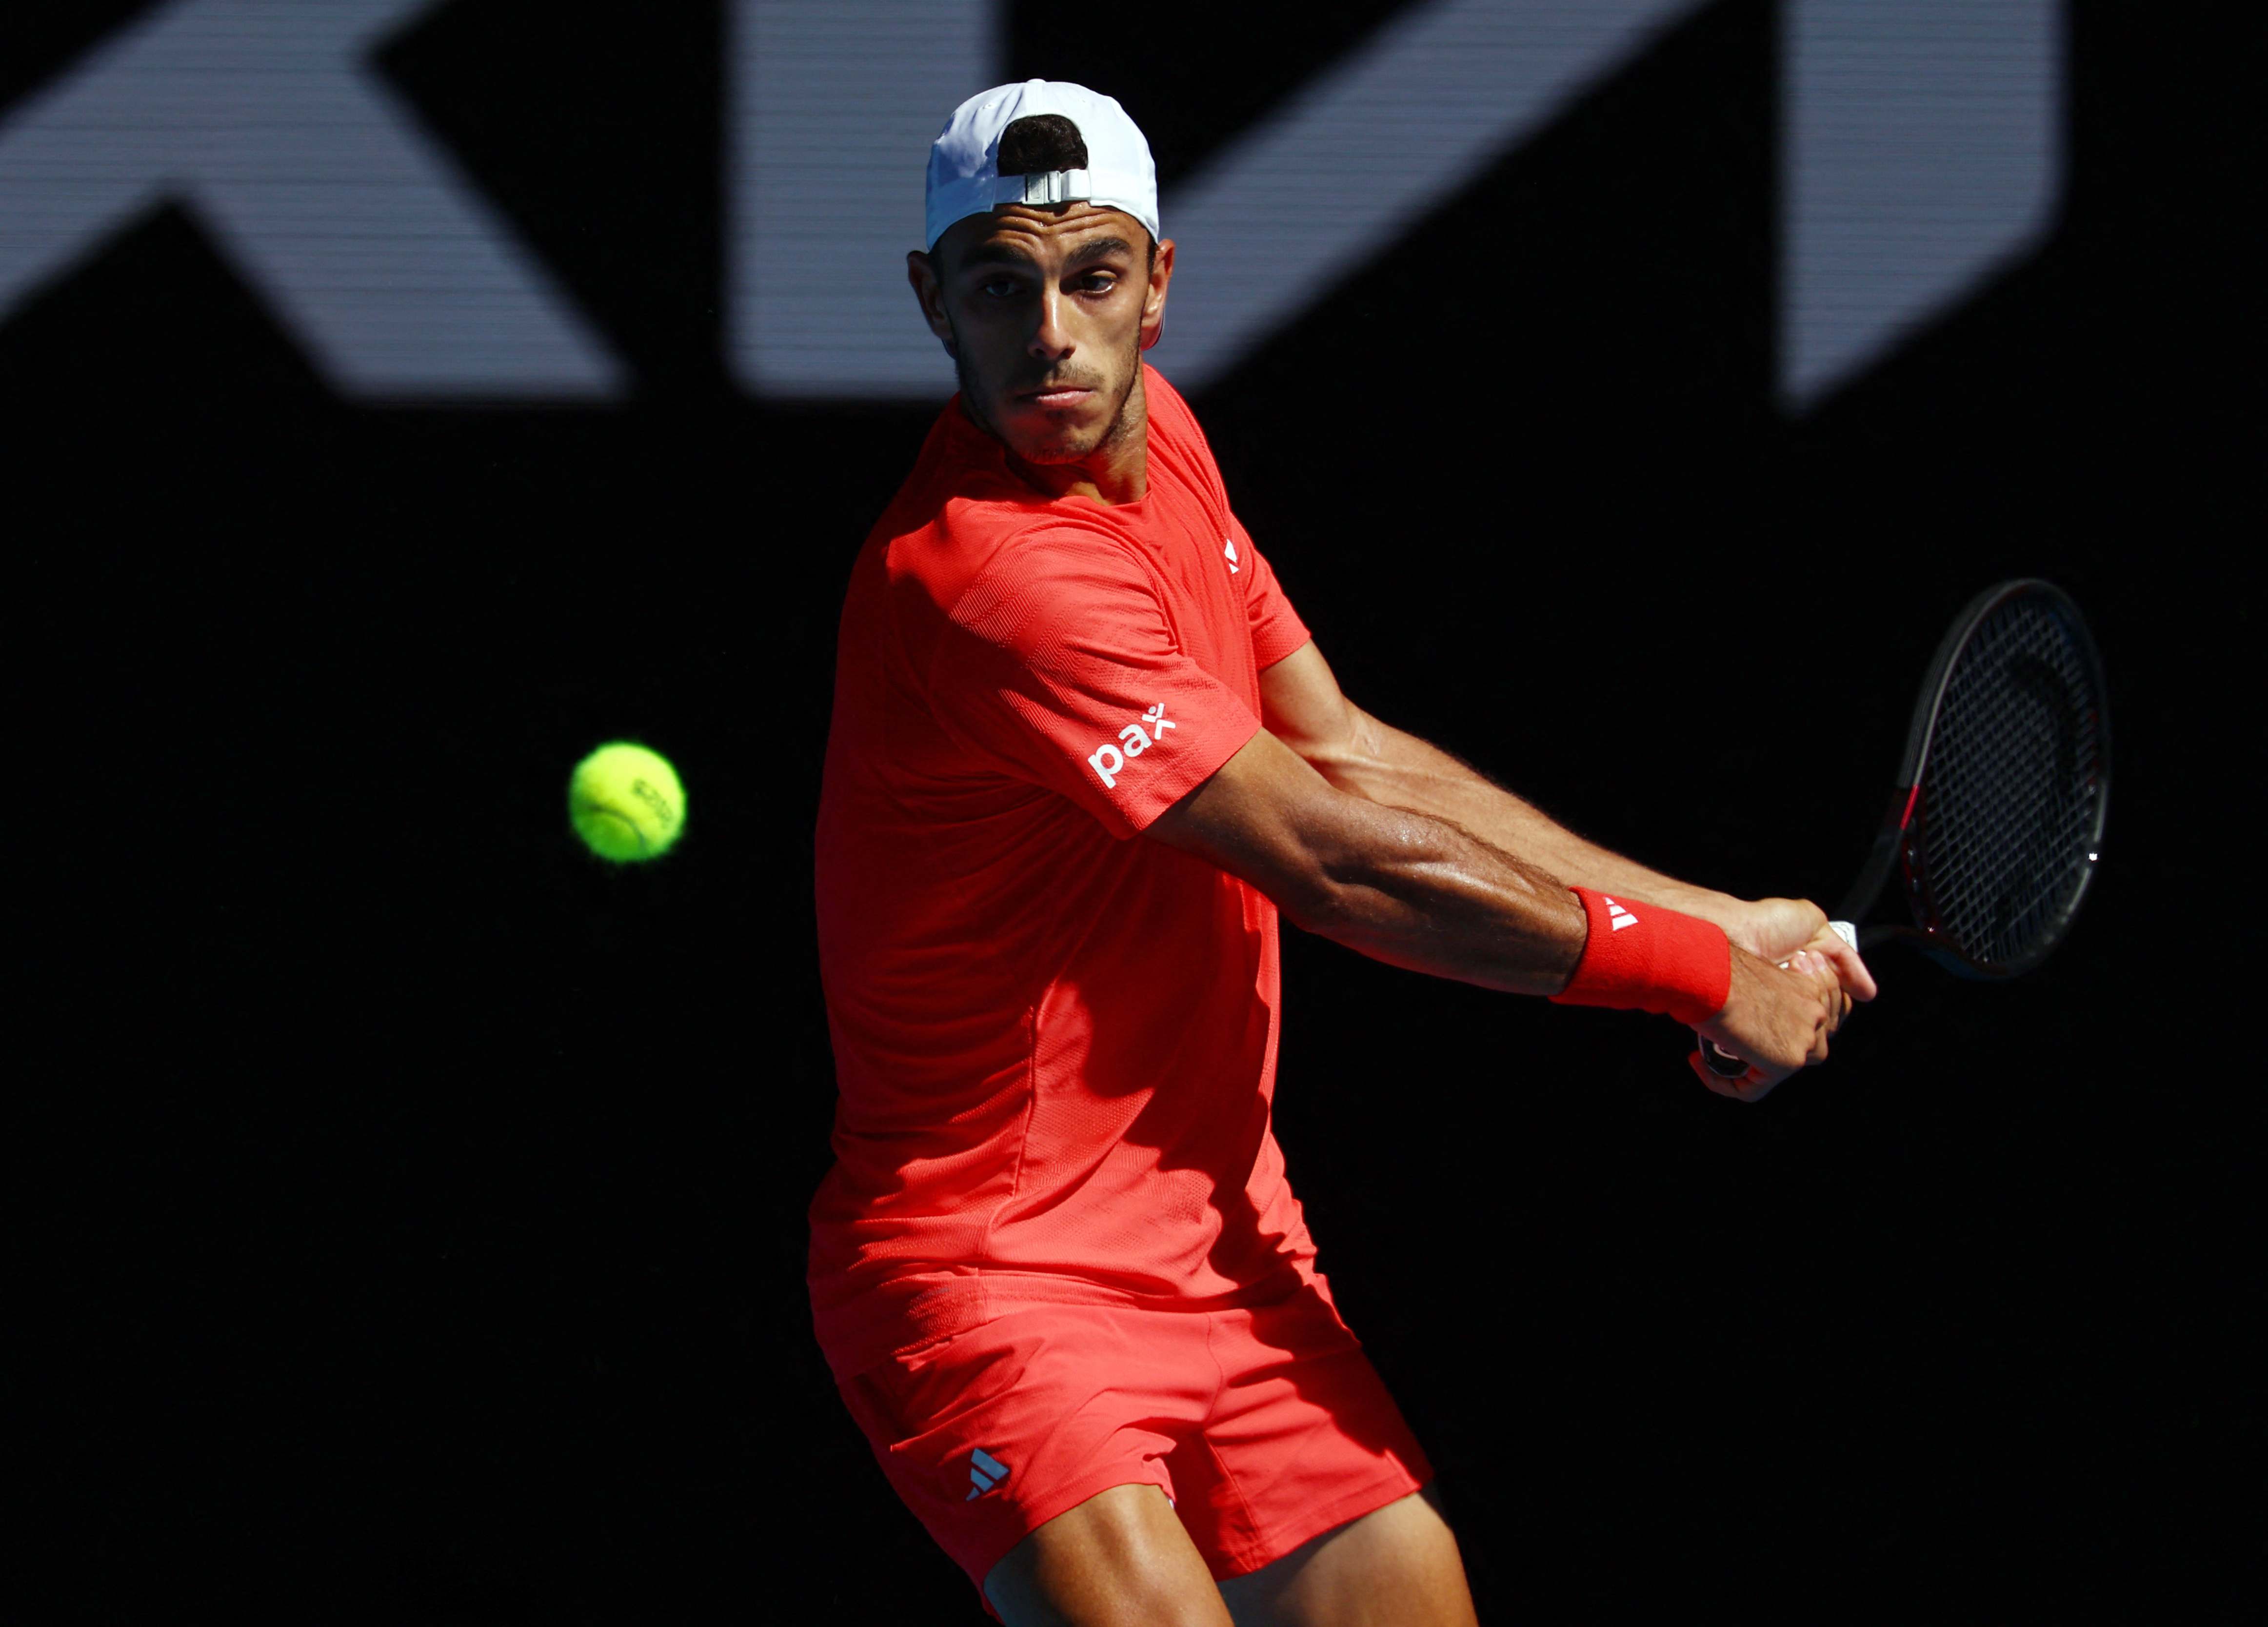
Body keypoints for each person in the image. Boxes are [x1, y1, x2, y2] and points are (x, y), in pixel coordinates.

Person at [811, 80, 1875, 1626]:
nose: (1050, 330)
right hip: (988, 1275)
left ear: (1157, 282)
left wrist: (1724, 916)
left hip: (1224, 1240)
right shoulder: (983, 580)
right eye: (1000, 284)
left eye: (1092, 276)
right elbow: (1333, 863)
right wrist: (1695, 975)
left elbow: (1344, 750)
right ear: (934, 301)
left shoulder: (1163, 441)